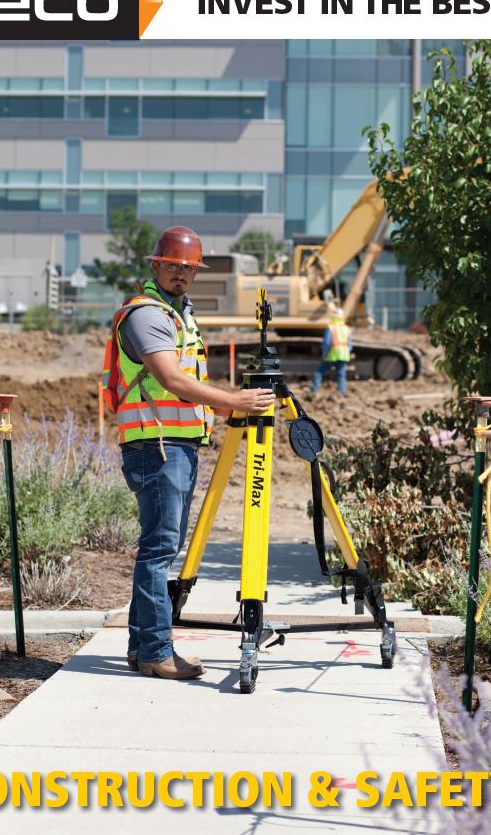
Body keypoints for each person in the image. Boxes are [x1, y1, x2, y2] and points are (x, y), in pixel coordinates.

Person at [103, 226, 275, 680]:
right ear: (156, 265)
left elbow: (184, 387)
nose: (182, 274)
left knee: (160, 548)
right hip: (156, 445)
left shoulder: (179, 315)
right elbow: (174, 380)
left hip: (173, 444)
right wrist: (236, 401)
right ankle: (158, 652)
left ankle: (143, 650)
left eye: (189, 268)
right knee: (159, 551)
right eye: (174, 266)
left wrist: (226, 404)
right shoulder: (146, 315)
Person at [310, 308, 352, 397]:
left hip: (332, 355)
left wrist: (324, 354)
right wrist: (346, 352)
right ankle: (341, 394)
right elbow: (350, 344)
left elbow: (327, 343)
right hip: (343, 356)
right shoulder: (346, 328)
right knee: (341, 376)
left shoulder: (331, 327)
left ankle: (314, 391)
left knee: (319, 372)